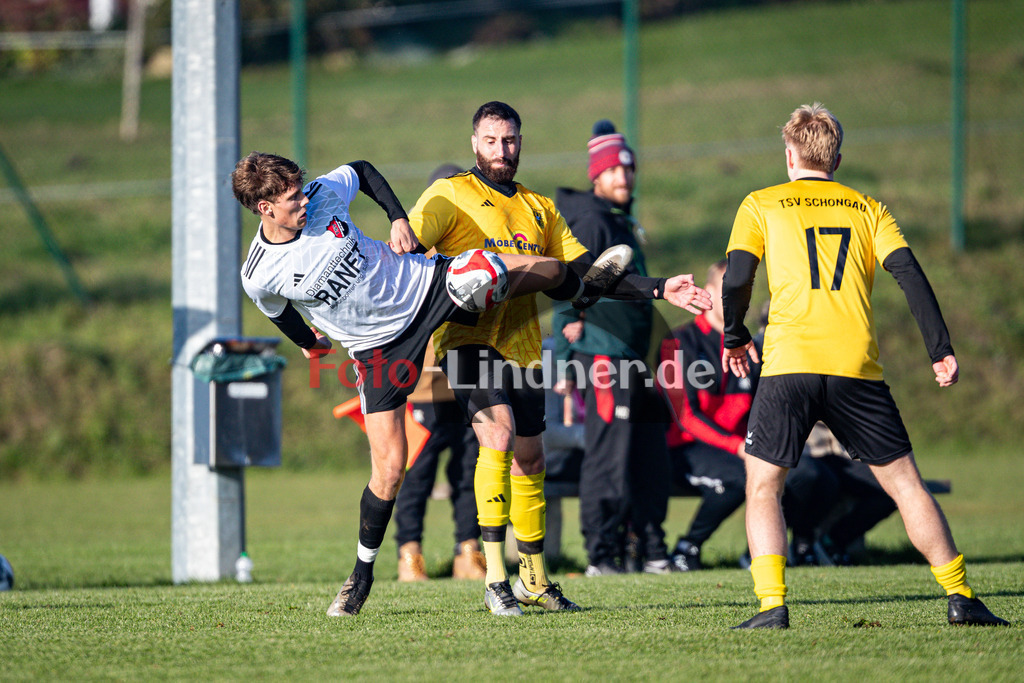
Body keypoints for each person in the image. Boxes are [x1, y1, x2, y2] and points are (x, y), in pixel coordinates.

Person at [231, 151, 617, 617]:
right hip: (376, 351)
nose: (303, 202)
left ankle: (584, 288)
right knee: (391, 469)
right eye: (292, 199)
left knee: (537, 269)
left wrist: (397, 217)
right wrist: (308, 342)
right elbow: (278, 311)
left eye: (300, 190)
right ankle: (361, 575)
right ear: (264, 208)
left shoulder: (323, 194)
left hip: (423, 289)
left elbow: (362, 169)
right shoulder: (258, 273)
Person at [407, 101, 712, 615]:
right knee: (497, 437)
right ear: (474, 143)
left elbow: (590, 274)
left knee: (532, 459)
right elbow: (409, 251)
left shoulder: (539, 209)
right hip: (465, 343)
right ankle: (495, 579)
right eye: (490, 141)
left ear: (520, 142)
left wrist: (661, 288)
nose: (501, 151)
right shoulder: (450, 195)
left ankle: (535, 578)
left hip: (523, 347)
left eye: (509, 141)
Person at [721, 104, 1008, 628]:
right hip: (856, 367)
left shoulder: (760, 204)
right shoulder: (869, 209)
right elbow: (911, 276)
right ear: (836, 157)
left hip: (789, 364)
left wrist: (735, 335)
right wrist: (939, 348)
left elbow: (738, 278)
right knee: (904, 485)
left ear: (789, 154)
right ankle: (961, 595)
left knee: (763, 485)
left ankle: (771, 607)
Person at [551, 119, 677, 575]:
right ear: (596, 176)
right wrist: (564, 363)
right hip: (602, 356)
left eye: (628, 170)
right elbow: (572, 282)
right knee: (608, 456)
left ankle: (651, 549)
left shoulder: (620, 221)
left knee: (648, 454)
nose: (623, 178)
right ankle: (602, 556)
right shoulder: (591, 221)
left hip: (634, 359)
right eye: (613, 171)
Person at [659, 260, 840, 572]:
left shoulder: (751, 347)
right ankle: (687, 549)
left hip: (745, 446)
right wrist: (737, 447)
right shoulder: (677, 343)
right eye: (727, 291)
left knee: (815, 475)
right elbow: (685, 417)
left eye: (740, 291)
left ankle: (782, 549)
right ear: (707, 293)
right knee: (741, 478)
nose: (734, 298)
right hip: (689, 448)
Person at [391, 163, 486, 582]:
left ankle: (469, 551)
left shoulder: (474, 249)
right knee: (417, 475)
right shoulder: (413, 248)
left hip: (468, 378)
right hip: (422, 386)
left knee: (470, 472)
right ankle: (409, 555)